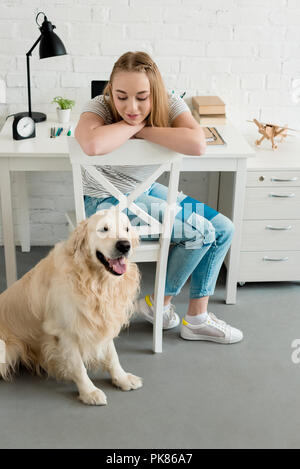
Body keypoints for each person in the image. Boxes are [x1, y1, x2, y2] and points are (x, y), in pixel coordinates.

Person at [75, 51, 243, 344]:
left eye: (142, 97)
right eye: (122, 96)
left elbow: (197, 143)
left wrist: (145, 130)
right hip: (106, 203)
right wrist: (136, 125)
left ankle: (197, 318)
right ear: (110, 92)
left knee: (223, 228)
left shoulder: (171, 103)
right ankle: (158, 305)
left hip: (146, 191)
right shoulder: (99, 106)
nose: (131, 106)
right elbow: (92, 142)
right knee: (200, 233)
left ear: (156, 91)